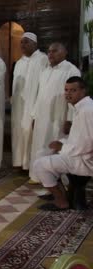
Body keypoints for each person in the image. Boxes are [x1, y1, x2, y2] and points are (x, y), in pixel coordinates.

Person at [32, 76, 93, 211]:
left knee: (39, 165)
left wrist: (62, 147)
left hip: (85, 160)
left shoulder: (87, 110)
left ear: (83, 91)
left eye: (73, 90)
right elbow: (78, 137)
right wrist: (61, 143)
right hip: (79, 154)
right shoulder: (82, 107)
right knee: (42, 153)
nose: (68, 93)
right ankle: (59, 191)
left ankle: (61, 201)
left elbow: (87, 144)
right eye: (66, 90)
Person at [29, 43, 81, 183]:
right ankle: (38, 176)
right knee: (40, 146)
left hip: (59, 118)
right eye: (49, 51)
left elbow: (74, 97)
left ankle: (56, 181)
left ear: (64, 53)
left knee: (54, 147)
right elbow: (39, 95)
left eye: (54, 51)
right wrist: (34, 116)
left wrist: (70, 119)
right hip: (41, 116)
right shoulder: (45, 70)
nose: (50, 54)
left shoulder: (71, 70)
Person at [11, 33, 48, 170]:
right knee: (18, 131)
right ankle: (19, 162)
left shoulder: (42, 59)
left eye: (26, 42)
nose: (22, 45)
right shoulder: (19, 62)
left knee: (30, 133)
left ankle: (30, 165)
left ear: (35, 43)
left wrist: (37, 109)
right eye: (21, 42)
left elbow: (44, 85)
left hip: (33, 105)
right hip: (19, 106)